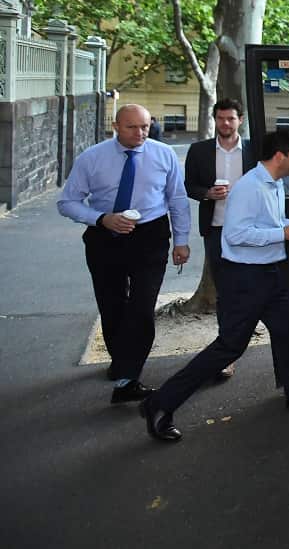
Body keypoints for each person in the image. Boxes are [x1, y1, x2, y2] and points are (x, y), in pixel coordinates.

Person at [140, 129, 289, 443]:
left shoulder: (273, 183)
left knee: (287, 332)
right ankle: (158, 404)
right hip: (244, 280)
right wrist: (282, 235)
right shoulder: (249, 187)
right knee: (229, 348)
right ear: (280, 156)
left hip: (269, 274)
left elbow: (271, 225)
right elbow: (235, 235)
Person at [57, 104, 191, 403]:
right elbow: (67, 202)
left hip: (150, 236)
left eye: (145, 126)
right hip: (105, 236)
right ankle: (122, 364)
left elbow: (177, 199)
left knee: (142, 307)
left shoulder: (164, 154)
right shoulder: (92, 158)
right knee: (112, 305)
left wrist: (181, 241)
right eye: (132, 127)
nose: (140, 133)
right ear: (116, 126)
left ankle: (128, 377)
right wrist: (101, 218)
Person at [184, 98, 256, 379]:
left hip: (250, 230)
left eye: (231, 118)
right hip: (217, 231)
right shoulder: (199, 150)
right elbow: (189, 185)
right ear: (215, 120)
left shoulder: (253, 150)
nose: (225, 123)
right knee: (224, 293)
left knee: (251, 289)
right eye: (221, 118)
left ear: (240, 120)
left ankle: (240, 337)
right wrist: (207, 193)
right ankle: (226, 353)